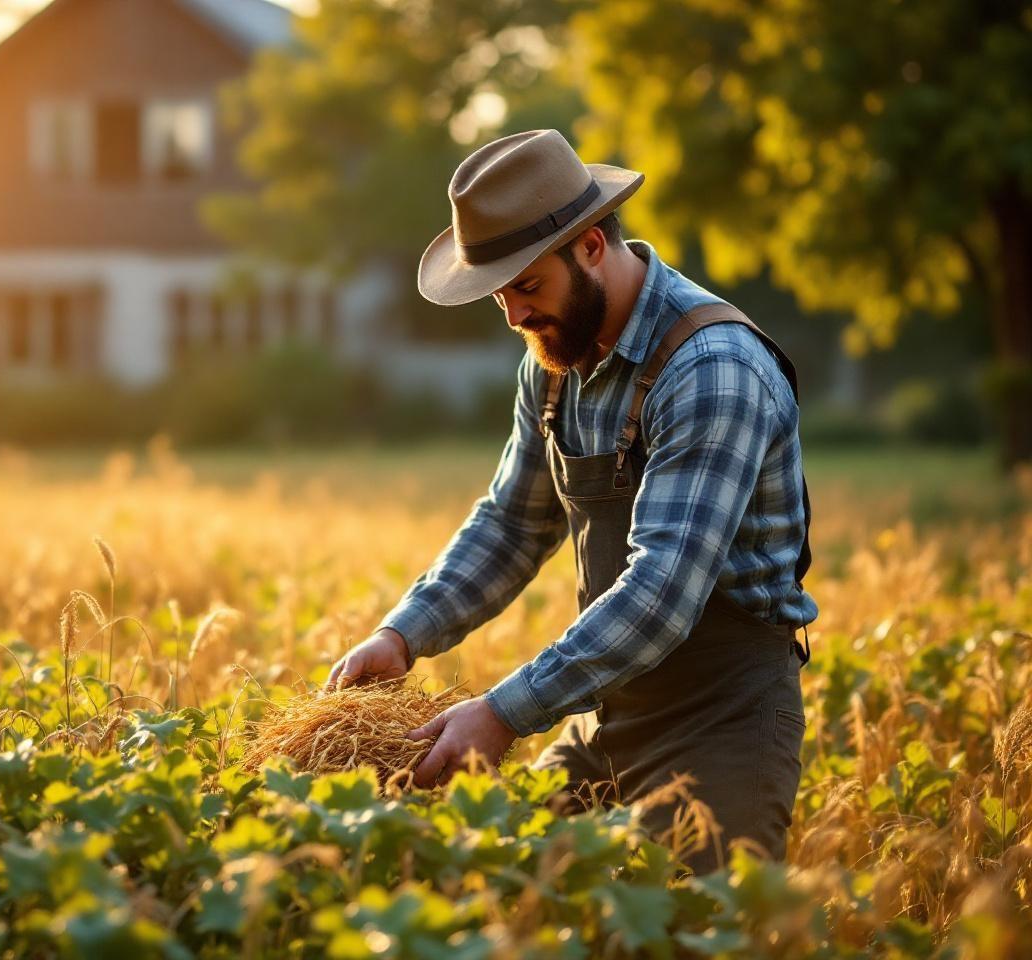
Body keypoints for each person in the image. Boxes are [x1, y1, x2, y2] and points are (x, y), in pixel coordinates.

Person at [323, 128, 816, 874]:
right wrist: (402, 636)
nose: (516, 316)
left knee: (696, 928)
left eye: (527, 286)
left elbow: (660, 593)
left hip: (724, 721)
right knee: (508, 895)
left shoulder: (710, 369)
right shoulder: (553, 360)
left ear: (590, 247)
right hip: (607, 711)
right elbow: (512, 524)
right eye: (498, 295)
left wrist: (502, 713)